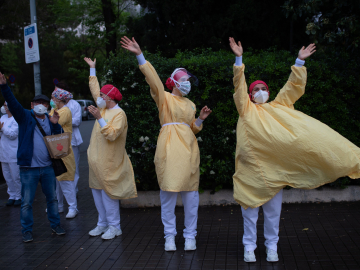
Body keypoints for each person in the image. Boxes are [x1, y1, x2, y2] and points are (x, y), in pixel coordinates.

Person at [229, 37, 360, 263]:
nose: (260, 91)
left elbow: (292, 88)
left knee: (273, 214)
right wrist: (239, 59)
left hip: (275, 171)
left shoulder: (279, 106)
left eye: (263, 88)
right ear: (250, 96)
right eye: (256, 89)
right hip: (250, 172)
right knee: (249, 214)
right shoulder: (246, 110)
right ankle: (249, 247)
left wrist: (299, 62)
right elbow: (239, 87)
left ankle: (272, 247)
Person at [121, 36, 212, 251]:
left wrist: (199, 119)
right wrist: (140, 56)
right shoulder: (164, 99)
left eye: (188, 79)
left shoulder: (190, 103)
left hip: (189, 150)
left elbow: (192, 128)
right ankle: (169, 236)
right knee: (168, 196)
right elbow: (153, 81)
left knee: (191, 197)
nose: (187, 82)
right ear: (174, 81)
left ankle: (190, 236)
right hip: (169, 149)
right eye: (184, 78)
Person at [0, 72, 66, 243]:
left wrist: (56, 125)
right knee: (27, 202)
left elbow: (59, 142)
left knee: (52, 199)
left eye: (44, 103)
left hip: (47, 168)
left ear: (48, 105)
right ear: (32, 105)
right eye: (38, 103)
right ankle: (26, 230)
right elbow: (13, 104)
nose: (41, 106)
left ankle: (55, 225)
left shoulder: (51, 120)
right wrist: (4, 87)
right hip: (28, 168)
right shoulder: (24, 117)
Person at [84, 57, 138, 240]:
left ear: (110, 98)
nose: (99, 98)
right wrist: (92, 69)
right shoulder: (105, 109)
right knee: (97, 192)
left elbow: (112, 134)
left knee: (109, 194)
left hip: (110, 162)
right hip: (96, 160)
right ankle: (102, 224)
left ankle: (115, 227)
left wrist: (99, 117)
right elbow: (94, 89)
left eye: (102, 96)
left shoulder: (119, 113)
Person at [49, 89, 78, 218]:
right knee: (57, 181)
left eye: (53, 98)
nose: (51, 100)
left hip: (63, 150)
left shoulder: (64, 111)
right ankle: (59, 206)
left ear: (59, 100)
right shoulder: (55, 111)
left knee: (66, 180)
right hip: (56, 149)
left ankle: (73, 207)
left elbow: (51, 123)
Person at [55, 82, 83, 194]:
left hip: (73, 140)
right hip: (59, 141)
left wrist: (65, 120)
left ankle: (73, 191)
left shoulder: (74, 104)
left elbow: (77, 121)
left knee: (73, 167)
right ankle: (63, 191)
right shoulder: (55, 107)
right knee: (60, 167)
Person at [0, 101, 21, 206]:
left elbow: (13, 134)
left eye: (7, 105)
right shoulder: (2, 118)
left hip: (13, 152)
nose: (5, 107)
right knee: (7, 176)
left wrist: (2, 128)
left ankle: (19, 196)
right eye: (4, 105)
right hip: (3, 152)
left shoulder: (16, 119)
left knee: (16, 176)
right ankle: (11, 195)